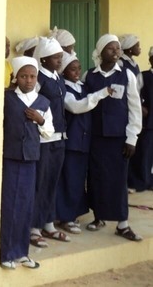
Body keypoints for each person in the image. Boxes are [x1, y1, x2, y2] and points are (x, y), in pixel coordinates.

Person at [84, 34, 142, 241]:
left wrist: (132, 138)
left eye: (117, 48)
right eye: (111, 49)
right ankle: (98, 216)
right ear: (100, 52)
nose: (116, 52)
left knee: (118, 180)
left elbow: (135, 108)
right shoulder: (89, 75)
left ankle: (122, 224)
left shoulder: (127, 75)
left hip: (119, 138)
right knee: (97, 178)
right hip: (96, 137)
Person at [0, 56, 53, 270]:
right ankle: (6, 253)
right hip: (10, 159)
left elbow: (48, 132)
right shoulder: (7, 98)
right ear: (16, 77)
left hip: (30, 160)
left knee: (25, 205)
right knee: (9, 206)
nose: (28, 80)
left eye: (32, 76)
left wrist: (40, 120)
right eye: (24, 76)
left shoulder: (43, 102)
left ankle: (22, 252)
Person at [55, 52, 112, 234]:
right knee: (69, 179)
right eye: (72, 69)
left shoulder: (82, 86)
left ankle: (75, 213)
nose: (77, 72)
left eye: (79, 68)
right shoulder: (64, 89)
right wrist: (101, 94)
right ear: (64, 71)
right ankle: (66, 217)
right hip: (72, 141)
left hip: (85, 141)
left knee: (79, 180)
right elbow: (77, 107)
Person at [29, 37, 69, 248]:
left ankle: (48, 222)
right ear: (43, 60)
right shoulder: (39, 80)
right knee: (40, 182)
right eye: (55, 57)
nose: (59, 61)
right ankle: (34, 226)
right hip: (44, 139)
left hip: (59, 138)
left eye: (60, 57)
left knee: (53, 182)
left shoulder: (58, 78)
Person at [128, 47, 153, 192]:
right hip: (148, 122)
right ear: (150, 60)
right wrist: (140, 107)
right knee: (144, 153)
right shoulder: (143, 76)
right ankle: (140, 182)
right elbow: (134, 94)